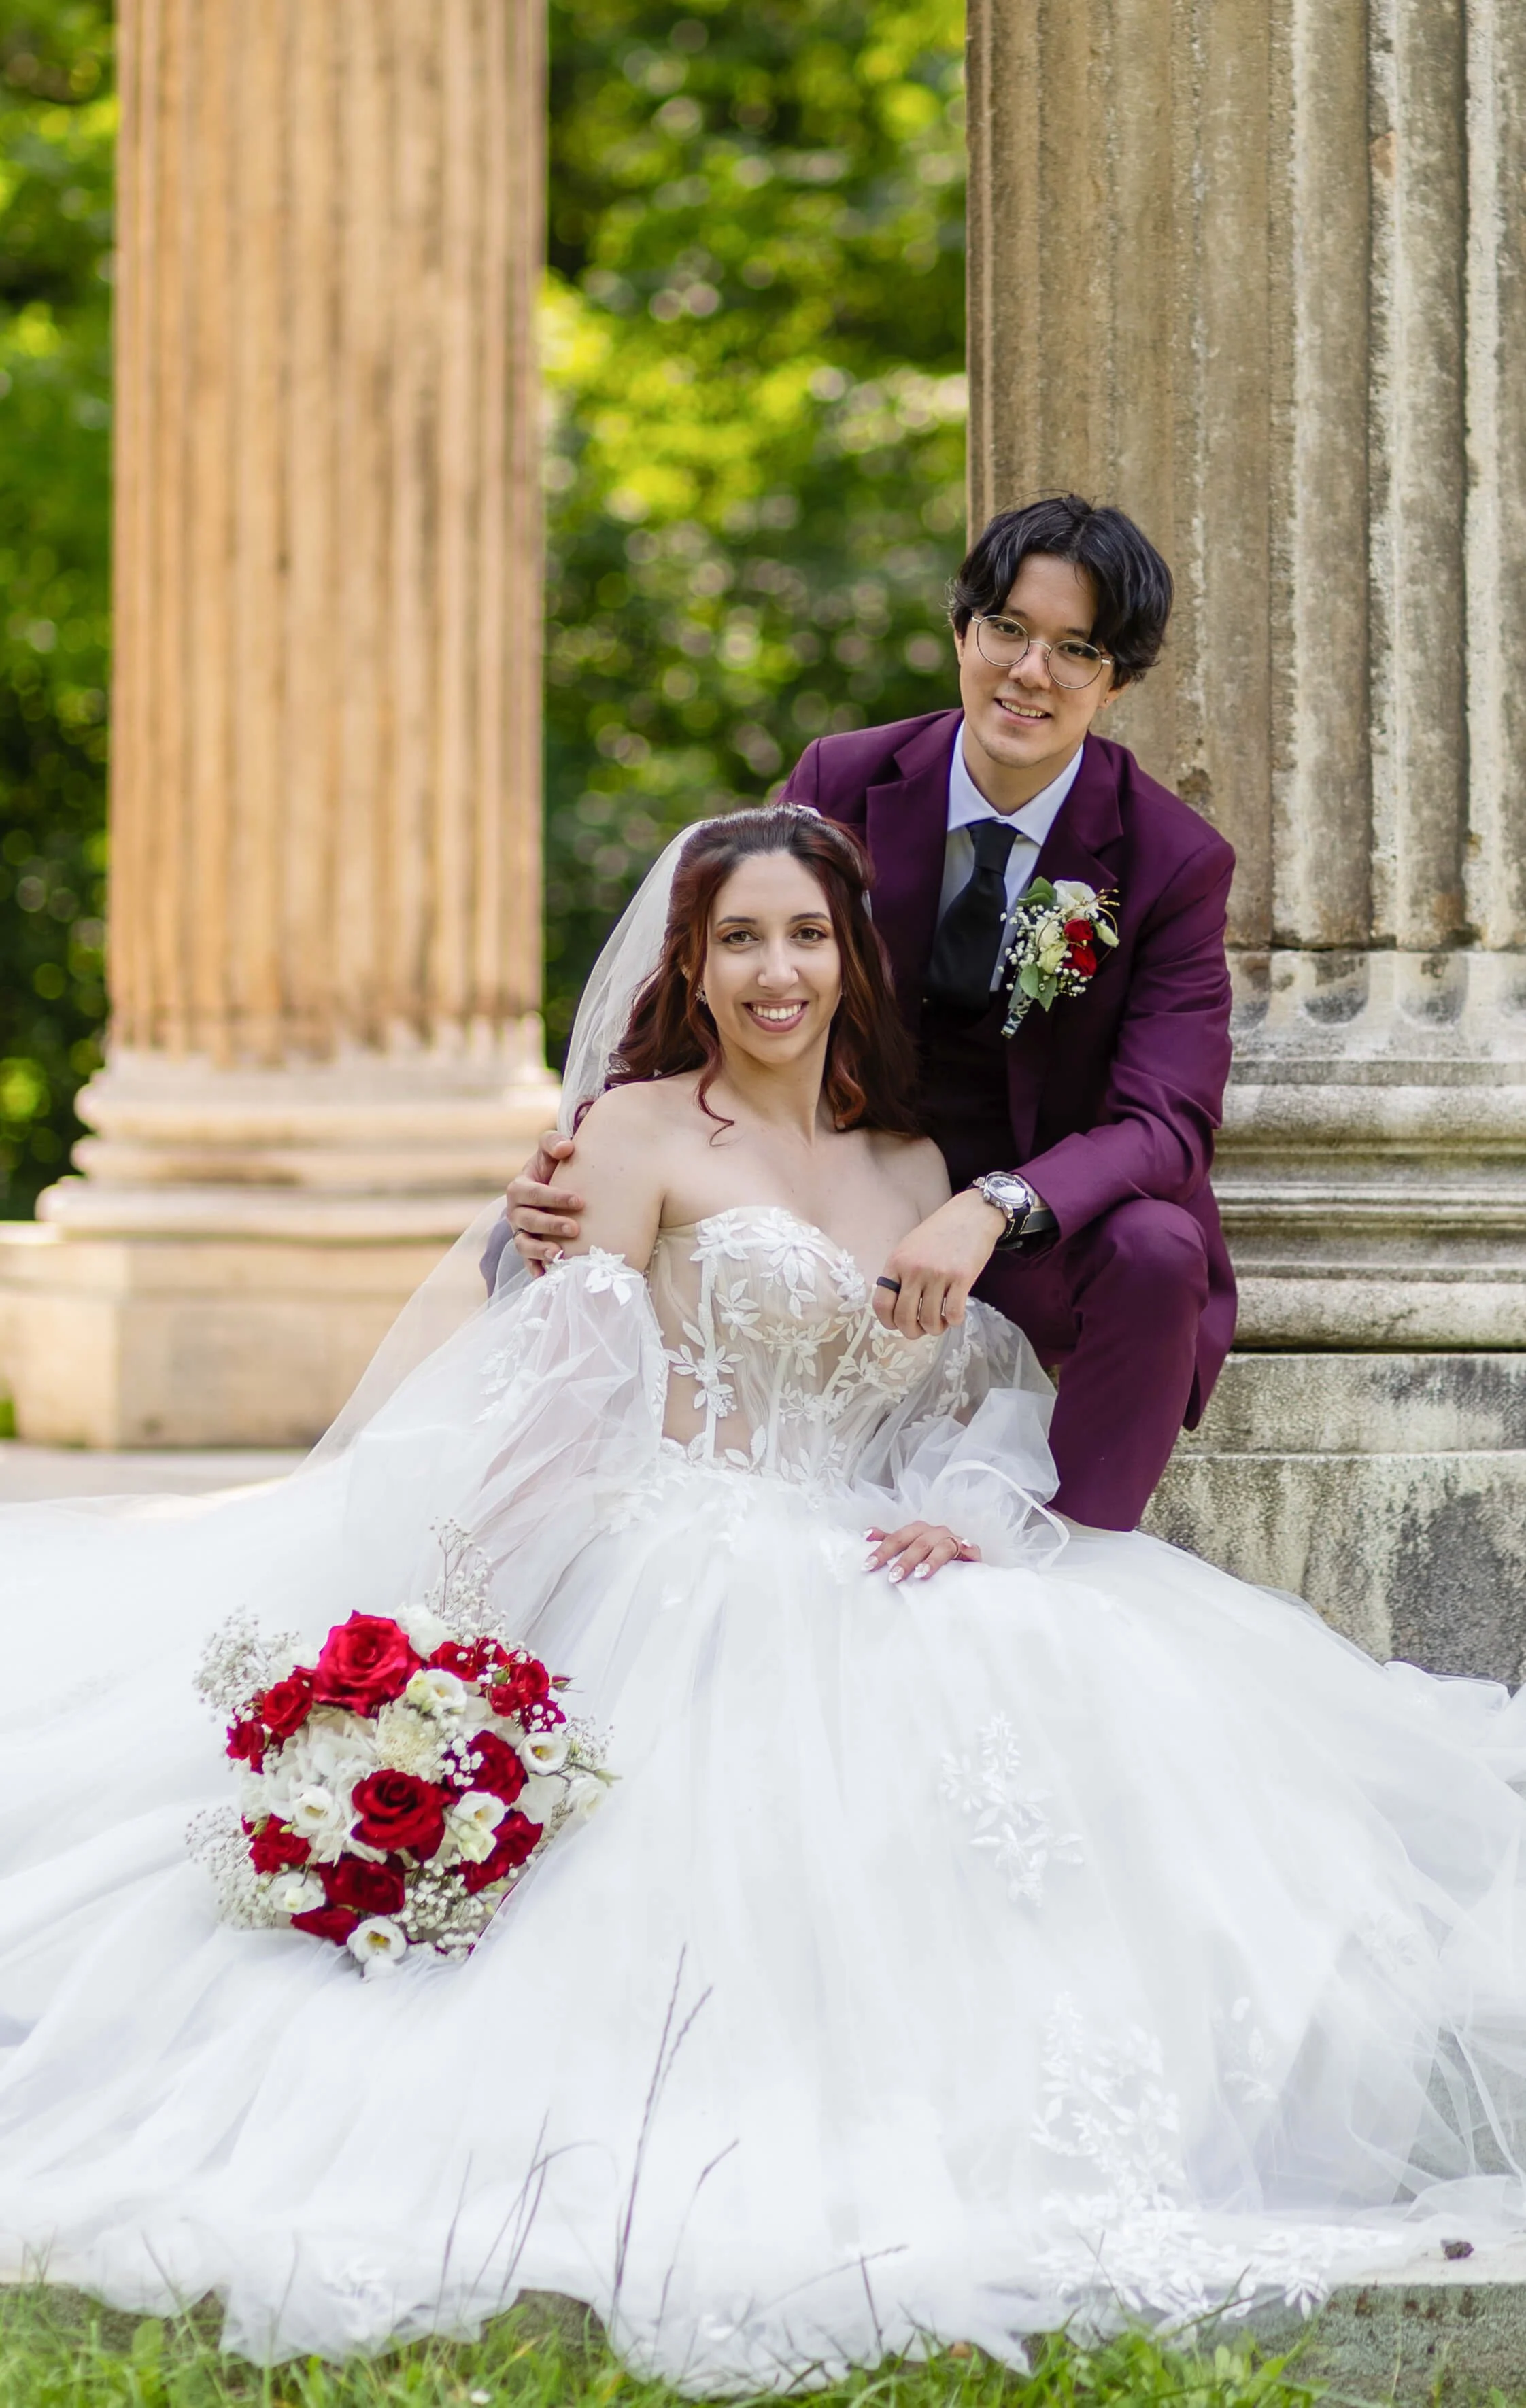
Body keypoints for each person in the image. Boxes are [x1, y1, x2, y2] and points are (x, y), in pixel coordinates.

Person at [3, 804, 1526, 2386]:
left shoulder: (916, 1162)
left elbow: (956, 1406)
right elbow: (559, 1388)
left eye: (805, 934)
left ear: (853, 955)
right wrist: (458, 1646)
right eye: (739, 938)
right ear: (695, 960)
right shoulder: (638, 1134)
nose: (773, 969)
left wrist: (959, 1508)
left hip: (860, 1542)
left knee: (1085, 1723)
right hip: (671, 1551)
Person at [494, 496, 1234, 1534]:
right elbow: (733, 952)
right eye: (1009, 631)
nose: (1030, 672)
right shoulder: (845, 776)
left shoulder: (1172, 860)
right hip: (846, 1185)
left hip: (1037, 1228)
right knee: (531, 1235)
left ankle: (1072, 1549)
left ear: (1116, 680)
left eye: (1076, 650)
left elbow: (1168, 1123)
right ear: (963, 631)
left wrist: (993, 1205)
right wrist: (603, 1140)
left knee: (1161, 1248)